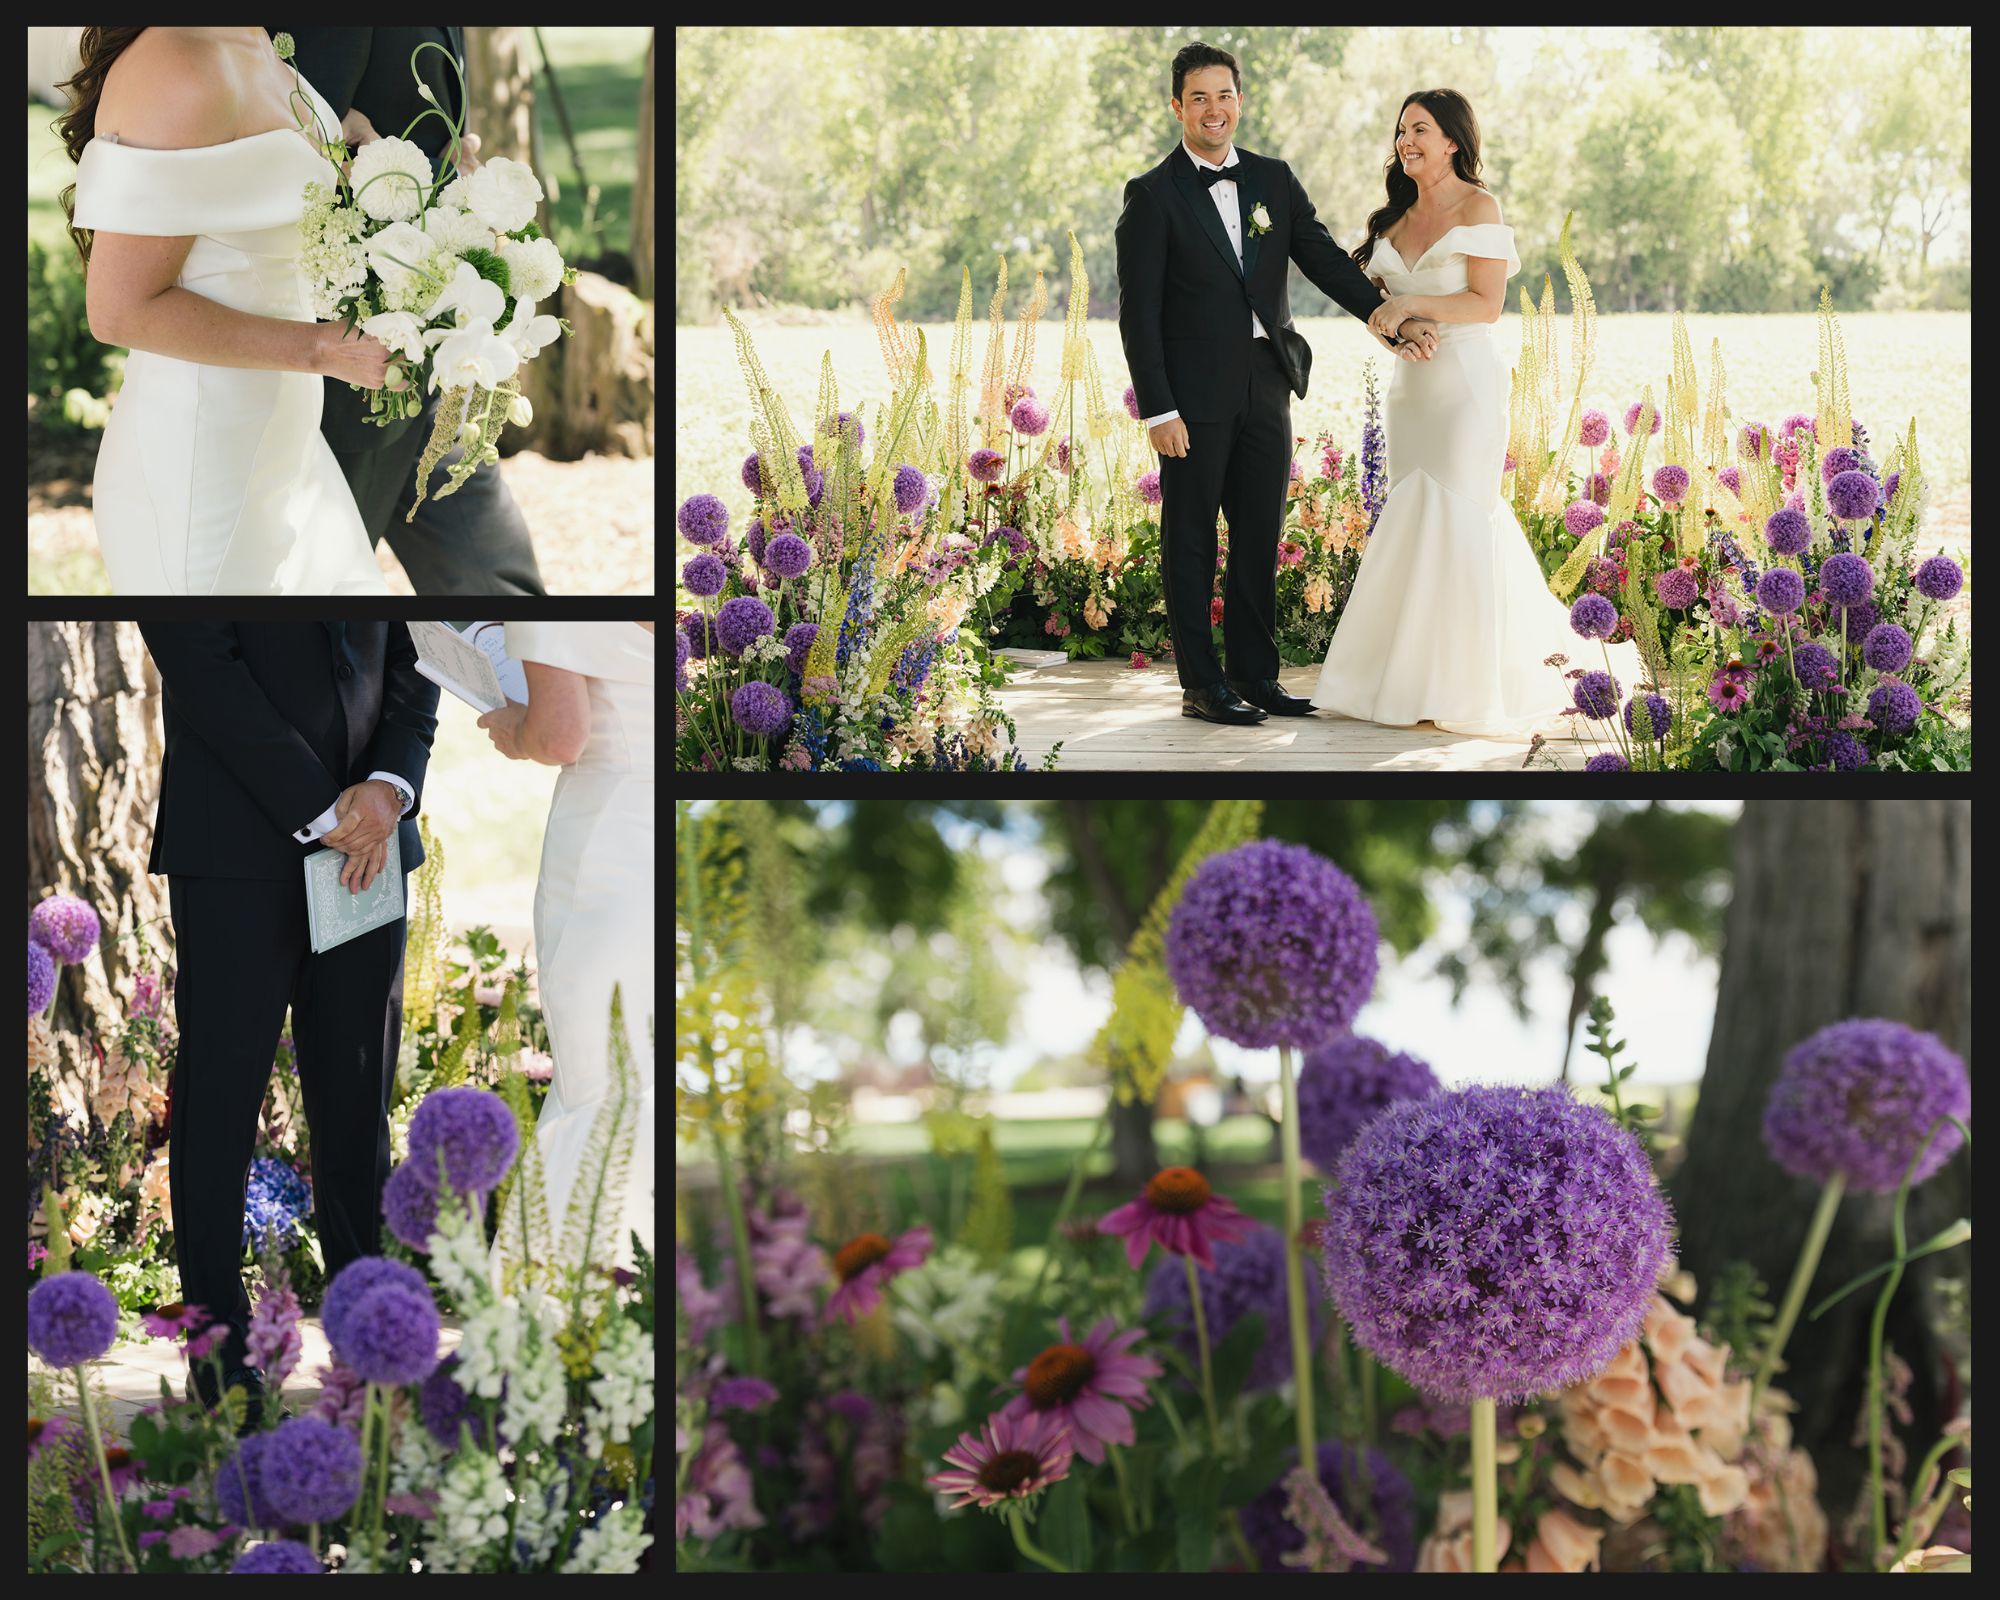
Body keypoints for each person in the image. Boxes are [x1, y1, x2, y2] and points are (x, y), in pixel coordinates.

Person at [138, 623, 439, 1428]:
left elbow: (421, 650)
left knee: (357, 1108)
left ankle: (370, 1364)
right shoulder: (189, 508)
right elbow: (194, 658)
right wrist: (320, 807)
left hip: (372, 847)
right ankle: (224, 1374)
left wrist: (388, 785)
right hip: (236, 845)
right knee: (218, 1105)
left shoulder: (370, 504)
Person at [1116, 39, 1440, 727]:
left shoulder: (1272, 178)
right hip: (1191, 400)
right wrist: (1158, 410)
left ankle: (1256, 678)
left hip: (1268, 384)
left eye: (1224, 95)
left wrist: (1389, 317)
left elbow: (1324, 259)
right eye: (1199, 97)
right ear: (1177, 106)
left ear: (1241, 101)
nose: (1214, 110)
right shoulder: (1152, 195)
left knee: (1260, 534)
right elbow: (1137, 314)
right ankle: (1201, 686)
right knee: (1192, 539)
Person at [1312, 89, 1643, 734]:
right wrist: (1396, 330)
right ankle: (1401, 681)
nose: (1407, 141)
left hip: (1465, 387)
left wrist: (1414, 310)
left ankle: (1469, 686)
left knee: (1462, 513)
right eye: (1402, 131)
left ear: (1454, 141)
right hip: (1412, 391)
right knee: (1412, 518)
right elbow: (1377, 310)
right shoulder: (1390, 221)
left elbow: (1487, 305)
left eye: (1421, 130)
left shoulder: (1479, 207)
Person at [60, 27, 393, 594]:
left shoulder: (260, 38)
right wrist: (320, 348)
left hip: (287, 448)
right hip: (202, 461)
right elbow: (118, 310)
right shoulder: (177, 61)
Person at [279, 27, 548, 595]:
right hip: (349, 366)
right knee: (319, 614)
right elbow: (296, 115)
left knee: (501, 588)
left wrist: (458, 178)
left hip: (430, 356)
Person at [476, 624, 655, 1282]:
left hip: (605, 844)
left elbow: (560, 737)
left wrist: (511, 728)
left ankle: (563, 1311)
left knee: (597, 1081)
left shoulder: (538, 592)